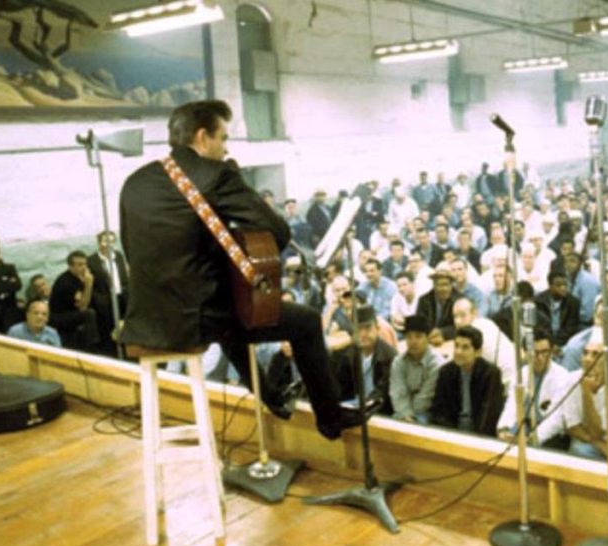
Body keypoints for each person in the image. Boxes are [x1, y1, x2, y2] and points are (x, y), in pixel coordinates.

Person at [118, 100, 359, 440]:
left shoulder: (136, 181)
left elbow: (132, 247)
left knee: (233, 308)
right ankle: (330, 419)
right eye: (223, 138)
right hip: (196, 320)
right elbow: (278, 231)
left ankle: (273, 398)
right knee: (304, 322)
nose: (226, 147)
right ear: (203, 138)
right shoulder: (218, 174)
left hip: (146, 318)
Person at [563, 336, 608, 461]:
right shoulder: (571, 379)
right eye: (585, 353)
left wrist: (586, 393)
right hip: (583, 439)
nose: (587, 359)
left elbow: (599, 432)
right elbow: (571, 426)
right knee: (580, 450)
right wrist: (586, 392)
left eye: (595, 354)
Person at [496, 328, 573, 447]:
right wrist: (504, 428)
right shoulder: (520, 375)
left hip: (551, 432)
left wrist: (534, 438)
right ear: (525, 352)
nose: (540, 357)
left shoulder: (563, 377)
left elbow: (556, 419)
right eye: (535, 352)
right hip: (525, 425)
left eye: (545, 352)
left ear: (552, 351)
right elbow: (512, 405)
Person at [429, 326, 504, 436]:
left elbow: (488, 415)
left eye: (465, 347)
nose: (458, 351)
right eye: (457, 346)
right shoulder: (446, 372)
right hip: (452, 432)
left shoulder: (491, 374)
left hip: (480, 434)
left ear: (478, 352)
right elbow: (439, 411)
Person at [331, 305, 396, 415]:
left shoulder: (389, 356)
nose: (363, 334)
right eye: (358, 328)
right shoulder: (349, 353)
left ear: (377, 328)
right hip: (352, 405)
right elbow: (340, 385)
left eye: (367, 328)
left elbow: (382, 393)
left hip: (379, 410)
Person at [389, 315, 443, 424]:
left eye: (418, 336)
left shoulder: (436, 363)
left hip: (428, 413)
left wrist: (410, 417)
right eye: (409, 337)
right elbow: (397, 393)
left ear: (427, 338)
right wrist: (405, 414)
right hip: (402, 412)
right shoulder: (399, 362)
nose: (413, 341)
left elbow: (425, 398)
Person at [49, 251, 99, 352]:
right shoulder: (65, 282)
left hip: (72, 311)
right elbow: (83, 306)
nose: (84, 267)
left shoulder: (79, 277)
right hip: (59, 316)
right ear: (71, 266)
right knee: (89, 313)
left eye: (85, 264)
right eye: (80, 265)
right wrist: (89, 284)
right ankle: (92, 347)